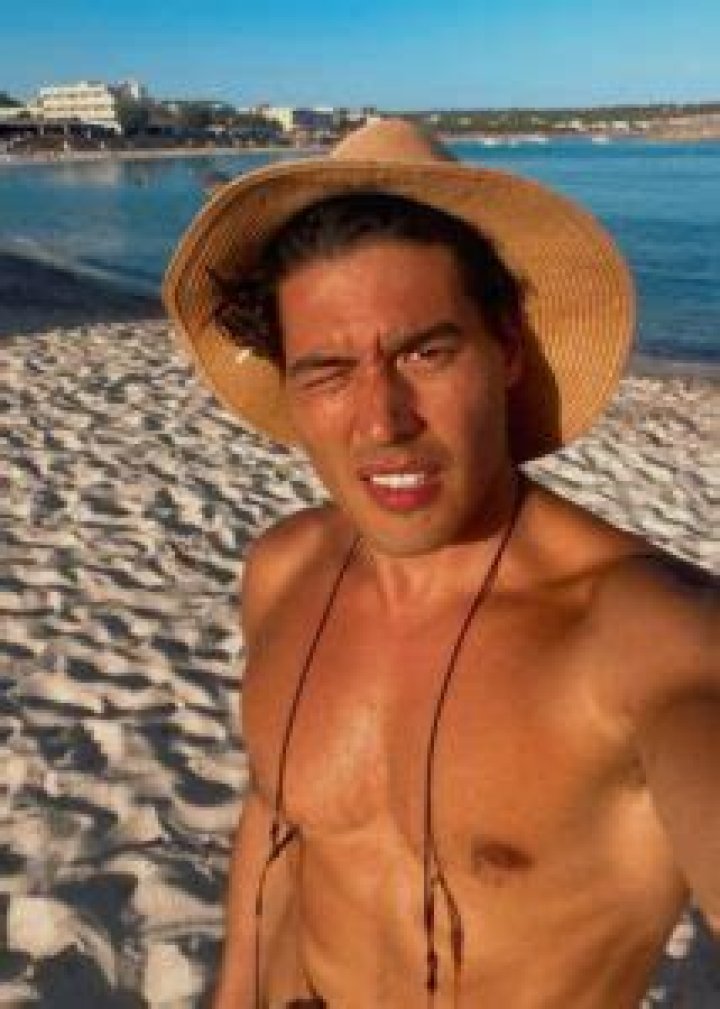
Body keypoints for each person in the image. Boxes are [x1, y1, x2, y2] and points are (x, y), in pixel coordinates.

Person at [163, 119, 718, 1009]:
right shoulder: (284, 570)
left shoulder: (647, 634)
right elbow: (278, 816)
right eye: (328, 369)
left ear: (506, 350)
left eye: (426, 351)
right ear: (292, 390)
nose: (383, 421)